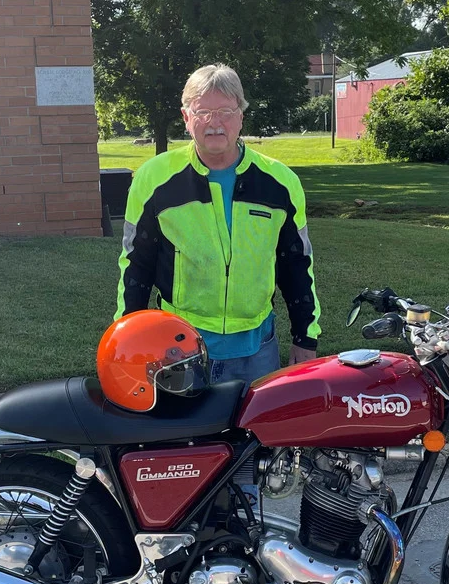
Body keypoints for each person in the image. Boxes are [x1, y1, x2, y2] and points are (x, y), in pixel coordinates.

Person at [114, 63, 321, 386]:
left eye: (225, 111)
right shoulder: (153, 179)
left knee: (259, 421)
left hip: (257, 349)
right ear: (186, 117)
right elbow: (135, 265)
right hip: (178, 349)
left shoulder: (281, 182)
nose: (214, 123)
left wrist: (305, 337)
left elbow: (296, 264)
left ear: (241, 116)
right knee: (183, 423)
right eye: (202, 112)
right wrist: (126, 340)